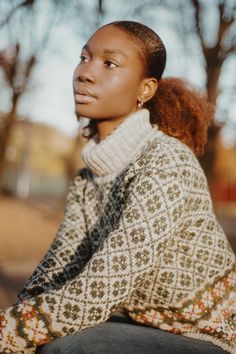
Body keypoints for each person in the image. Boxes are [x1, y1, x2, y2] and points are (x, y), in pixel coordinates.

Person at [0, 20, 235, 354]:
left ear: (145, 90)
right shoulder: (88, 178)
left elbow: (98, 290)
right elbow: (54, 272)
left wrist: (10, 333)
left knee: (71, 347)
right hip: (138, 322)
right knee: (37, 336)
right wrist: (11, 324)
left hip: (203, 334)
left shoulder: (167, 162)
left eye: (109, 63)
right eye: (84, 57)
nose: (85, 72)